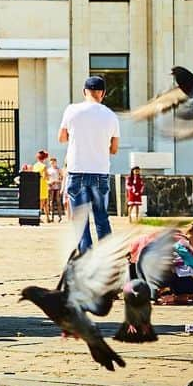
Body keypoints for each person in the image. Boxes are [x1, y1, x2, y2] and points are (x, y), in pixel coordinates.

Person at [58, 74, 120, 254]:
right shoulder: (111, 116)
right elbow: (114, 148)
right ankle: (107, 256)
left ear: (84, 91)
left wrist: (77, 138)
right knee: (102, 218)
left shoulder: (72, 110)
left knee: (80, 220)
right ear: (103, 93)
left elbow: (61, 137)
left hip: (77, 171)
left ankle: (87, 257)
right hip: (100, 173)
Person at [156, 221, 193, 304]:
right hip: (178, 282)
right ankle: (170, 295)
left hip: (170, 279)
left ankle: (169, 293)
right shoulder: (183, 246)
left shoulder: (179, 242)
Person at [31, 150, 50, 220]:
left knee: (42, 202)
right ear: (44, 158)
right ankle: (38, 217)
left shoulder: (35, 165)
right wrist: (48, 176)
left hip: (37, 185)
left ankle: (47, 217)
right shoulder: (44, 166)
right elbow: (46, 177)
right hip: (43, 185)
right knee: (44, 202)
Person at [46, 156, 64, 222]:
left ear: (56, 162)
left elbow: (62, 178)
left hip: (57, 187)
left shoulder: (59, 170)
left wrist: (57, 181)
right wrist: (49, 182)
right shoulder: (48, 170)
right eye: (51, 162)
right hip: (50, 187)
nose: (52, 163)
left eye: (54, 162)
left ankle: (60, 216)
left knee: (58, 201)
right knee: (51, 202)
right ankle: (51, 216)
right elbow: (47, 179)